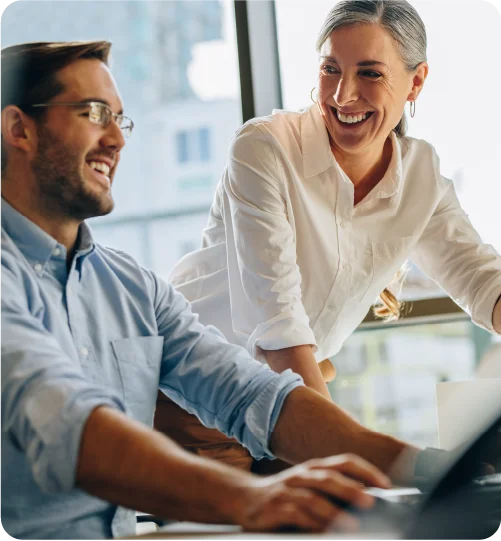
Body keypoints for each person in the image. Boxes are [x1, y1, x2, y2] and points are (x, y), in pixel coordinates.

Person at [0, 40, 430, 541]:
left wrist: (425, 467)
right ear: (18, 129)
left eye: (122, 119)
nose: (117, 139)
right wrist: (251, 499)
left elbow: (252, 394)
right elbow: (67, 426)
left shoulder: (132, 289)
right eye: (95, 113)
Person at [164, 0, 501, 466]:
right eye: (330, 69)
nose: (343, 95)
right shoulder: (265, 149)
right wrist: (348, 452)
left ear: (416, 82)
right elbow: (279, 326)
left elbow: (482, 280)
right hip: (187, 404)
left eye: (370, 73)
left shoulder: (420, 175)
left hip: (287, 407)